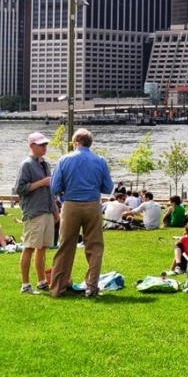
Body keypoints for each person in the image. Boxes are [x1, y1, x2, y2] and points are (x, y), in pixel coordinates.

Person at [49, 128, 114, 298]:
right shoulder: (100, 161)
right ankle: (91, 287)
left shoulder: (64, 160)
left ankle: (58, 288)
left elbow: (55, 188)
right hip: (93, 205)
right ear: (90, 143)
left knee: (65, 247)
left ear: (75, 142)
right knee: (95, 247)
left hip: (71, 205)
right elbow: (108, 188)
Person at [14, 132, 60, 295]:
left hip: (46, 210)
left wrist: (55, 210)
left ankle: (41, 281)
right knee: (30, 247)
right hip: (34, 211)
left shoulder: (45, 164)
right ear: (31, 145)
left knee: (42, 247)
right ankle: (25, 284)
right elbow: (19, 189)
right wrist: (41, 183)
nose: (44, 147)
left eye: (45, 144)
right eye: (41, 145)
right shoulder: (26, 164)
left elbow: (50, 189)